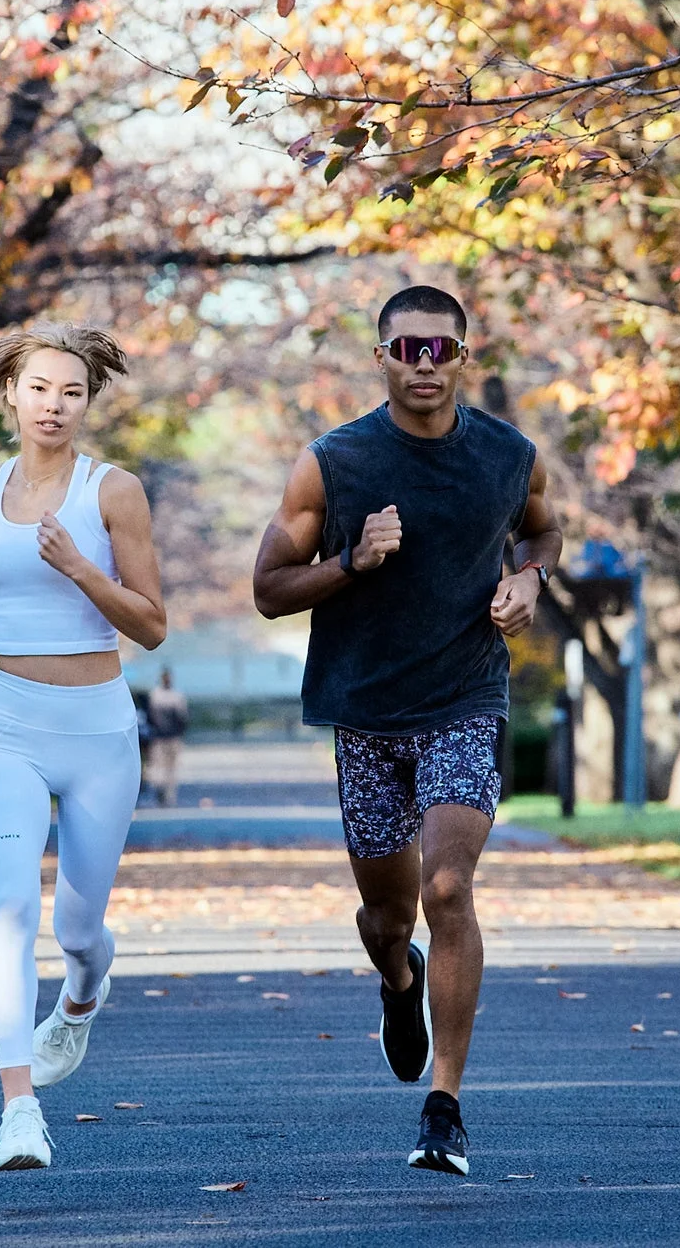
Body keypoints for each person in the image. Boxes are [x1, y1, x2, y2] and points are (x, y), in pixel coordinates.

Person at [250, 285, 561, 1176]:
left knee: (449, 889)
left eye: (441, 349)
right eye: (406, 349)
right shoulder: (333, 463)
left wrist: (532, 580)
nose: (424, 365)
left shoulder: (511, 455)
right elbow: (269, 590)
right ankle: (398, 977)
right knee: (389, 917)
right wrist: (352, 560)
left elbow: (544, 532)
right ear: (379, 357)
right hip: (366, 714)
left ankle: (446, 1108)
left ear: (464, 356)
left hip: (465, 700)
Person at [0, 322, 167, 1172]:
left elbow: (149, 625)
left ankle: (80, 1000)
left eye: (71, 392)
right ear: (9, 394)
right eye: (39, 388)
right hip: (8, 728)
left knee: (77, 928)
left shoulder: (114, 493)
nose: (54, 404)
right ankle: (18, 1112)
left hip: (99, 732)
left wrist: (83, 568)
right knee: (9, 907)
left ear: (88, 403)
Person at [144, 667, 189, 807]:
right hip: (161, 738)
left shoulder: (173, 696)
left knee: (170, 768)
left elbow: (183, 718)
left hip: (170, 737)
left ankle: (167, 794)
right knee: (161, 768)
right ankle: (162, 792)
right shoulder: (158, 695)